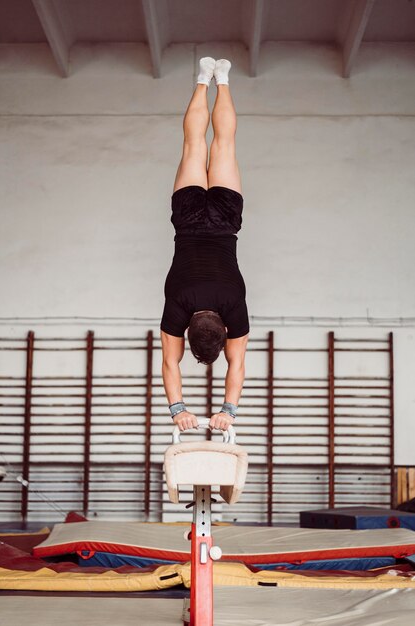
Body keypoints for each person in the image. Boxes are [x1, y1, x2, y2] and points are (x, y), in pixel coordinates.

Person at [161, 57, 249, 432]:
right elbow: (169, 363)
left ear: (225, 331)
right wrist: (177, 408)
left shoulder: (234, 308)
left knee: (225, 143)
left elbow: (238, 364)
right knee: (194, 143)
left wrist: (228, 411)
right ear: (187, 332)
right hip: (188, 219)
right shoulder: (178, 307)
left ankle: (223, 79)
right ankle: (202, 78)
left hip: (226, 222)